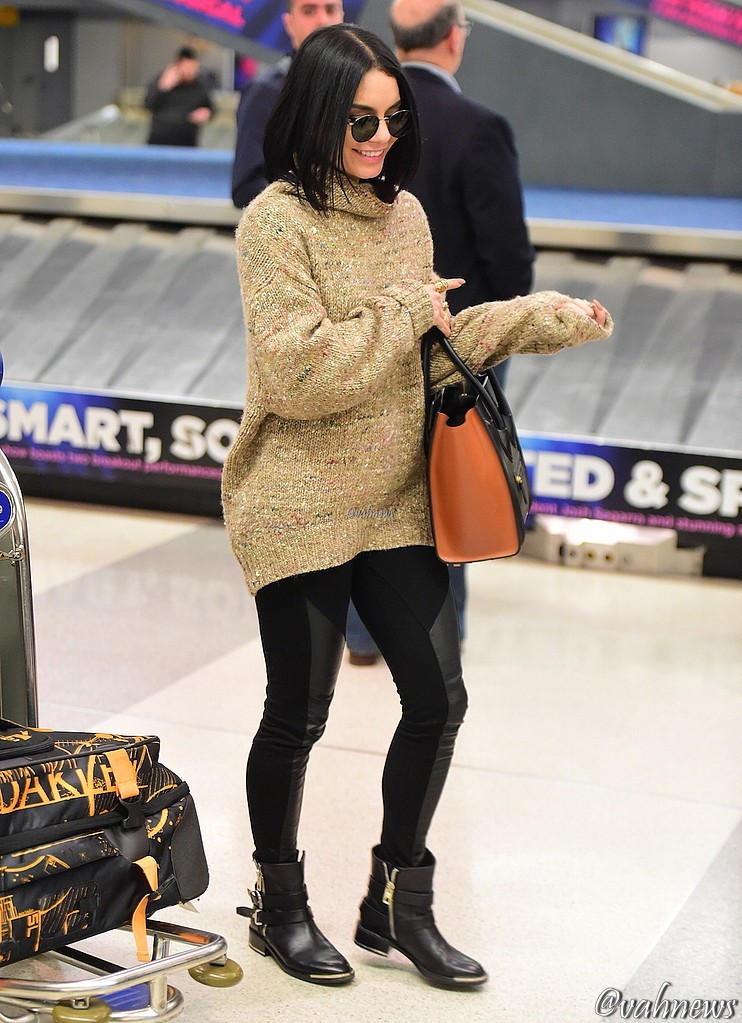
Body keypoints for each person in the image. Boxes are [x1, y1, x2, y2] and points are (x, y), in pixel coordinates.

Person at [222, 23, 611, 990]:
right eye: (361, 119)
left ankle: (398, 903)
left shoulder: (406, 220)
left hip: (396, 498)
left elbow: (430, 344)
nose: (381, 138)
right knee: (297, 716)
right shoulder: (274, 224)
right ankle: (280, 901)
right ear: (316, 111)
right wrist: (404, 314)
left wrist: (531, 318)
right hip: (299, 503)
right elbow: (298, 372)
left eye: (394, 120)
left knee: (438, 698)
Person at [345, 0, 535, 665]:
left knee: (375, 486)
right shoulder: (480, 128)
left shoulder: (363, 129)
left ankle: (364, 636)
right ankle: (437, 635)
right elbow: (510, 254)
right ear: (455, 38)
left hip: (372, 344)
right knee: (453, 489)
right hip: (459, 349)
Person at [231, 0, 345, 207]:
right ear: (289, 22)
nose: (322, 20)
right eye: (308, 11)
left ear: (342, 17)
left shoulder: (361, 89)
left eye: (330, 9)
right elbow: (246, 188)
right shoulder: (265, 93)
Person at [144, 46, 214, 147]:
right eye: (188, 67)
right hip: (159, 141)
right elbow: (148, 104)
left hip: (187, 142)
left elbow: (210, 108)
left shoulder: (199, 86)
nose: (191, 71)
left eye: (194, 67)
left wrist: (207, 113)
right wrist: (163, 88)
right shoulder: (161, 81)